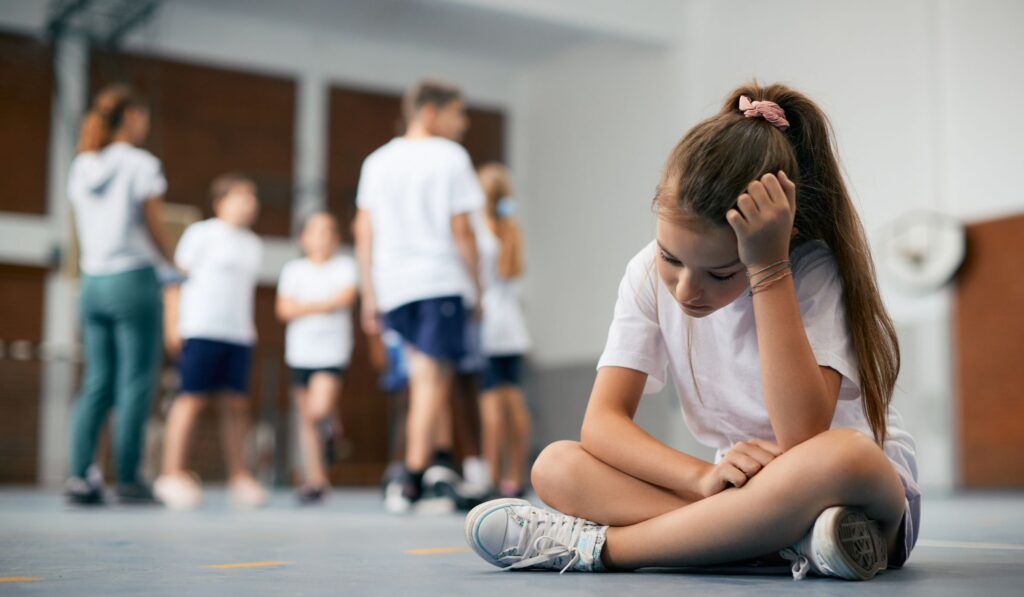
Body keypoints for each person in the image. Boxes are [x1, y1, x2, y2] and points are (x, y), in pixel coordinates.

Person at [465, 82, 919, 581]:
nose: (686, 290)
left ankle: (605, 547)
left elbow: (803, 435)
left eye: (721, 273)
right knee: (556, 466)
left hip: (848, 489)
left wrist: (768, 268)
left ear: (776, 237)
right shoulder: (642, 274)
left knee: (844, 455)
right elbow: (603, 424)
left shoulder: (809, 268)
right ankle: (782, 540)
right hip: (739, 490)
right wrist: (700, 477)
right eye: (670, 258)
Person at [354, 78, 484, 512]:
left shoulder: (377, 161)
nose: (463, 123)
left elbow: (363, 230)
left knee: (430, 374)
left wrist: (369, 293)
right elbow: (462, 229)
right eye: (457, 113)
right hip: (438, 279)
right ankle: (409, 477)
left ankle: (441, 466)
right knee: (431, 377)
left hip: (394, 286)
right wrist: (478, 287)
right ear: (430, 112)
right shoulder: (450, 157)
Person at [65, 83, 173, 505]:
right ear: (130, 117)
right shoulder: (141, 163)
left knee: (96, 381)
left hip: (92, 282)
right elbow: (152, 220)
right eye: (142, 116)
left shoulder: (82, 164)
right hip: (132, 279)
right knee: (135, 381)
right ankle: (128, 478)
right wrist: (172, 262)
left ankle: (81, 476)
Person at [154, 174, 267, 510]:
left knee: (237, 404)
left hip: (238, 334)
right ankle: (170, 473)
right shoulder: (200, 234)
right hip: (200, 329)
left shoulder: (253, 245)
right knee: (190, 399)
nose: (250, 203)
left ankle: (239, 475)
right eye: (241, 196)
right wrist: (172, 324)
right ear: (220, 203)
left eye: (252, 197)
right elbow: (175, 281)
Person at [276, 212, 358, 504]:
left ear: (336, 239)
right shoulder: (294, 269)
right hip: (300, 352)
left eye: (328, 231)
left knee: (318, 410)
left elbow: (345, 298)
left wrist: (305, 306)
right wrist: (325, 305)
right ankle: (316, 479)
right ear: (303, 238)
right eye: (315, 231)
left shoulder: (345, 266)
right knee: (306, 420)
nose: (322, 238)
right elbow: (284, 310)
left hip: (331, 351)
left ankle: (332, 428)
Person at [475, 163, 531, 499]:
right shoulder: (511, 230)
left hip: (488, 326)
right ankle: (514, 476)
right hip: (514, 326)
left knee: (491, 403)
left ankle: (492, 478)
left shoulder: (480, 231)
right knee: (514, 400)